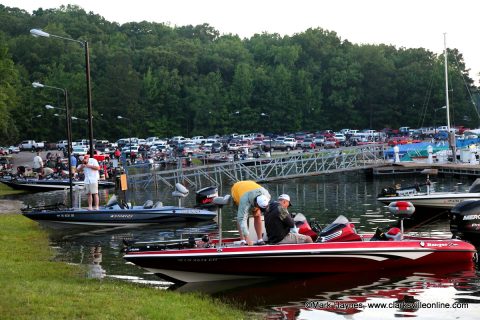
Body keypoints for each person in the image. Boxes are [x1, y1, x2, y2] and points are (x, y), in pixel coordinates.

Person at [231, 180, 271, 246]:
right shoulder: (244, 200)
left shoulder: (267, 195)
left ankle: (260, 239)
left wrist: (258, 210)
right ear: (256, 203)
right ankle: (243, 240)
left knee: (257, 215)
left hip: (252, 186)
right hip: (237, 189)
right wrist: (248, 238)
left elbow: (265, 205)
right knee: (241, 217)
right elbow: (242, 219)